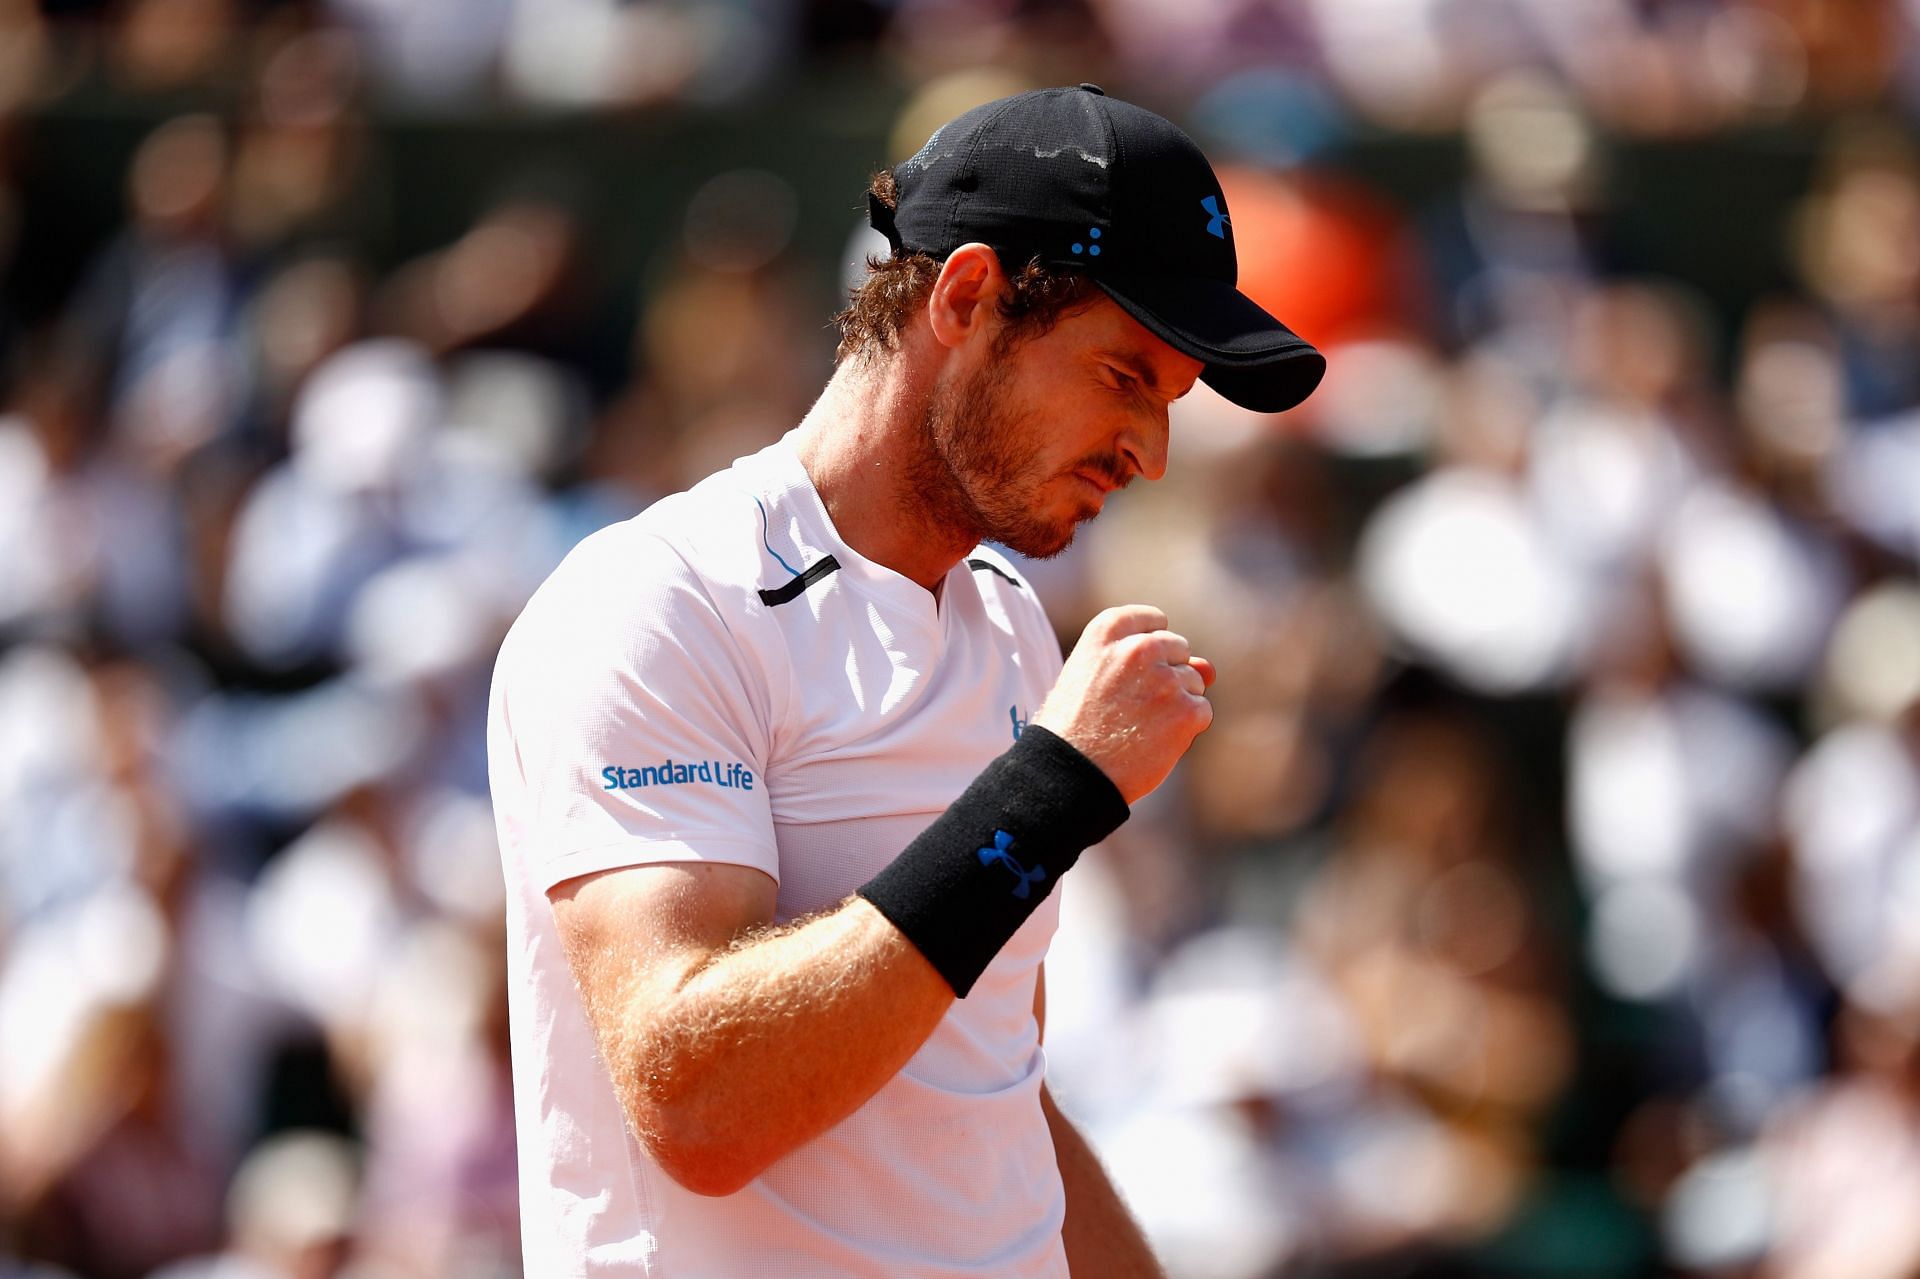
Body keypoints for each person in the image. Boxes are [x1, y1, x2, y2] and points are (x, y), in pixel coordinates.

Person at [487, 83, 1325, 1277]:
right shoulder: (656, 604)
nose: (1151, 451)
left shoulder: (1013, 634)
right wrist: (1047, 793)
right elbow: (697, 1104)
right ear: (968, 297)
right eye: (1126, 375)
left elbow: (981, 1092)